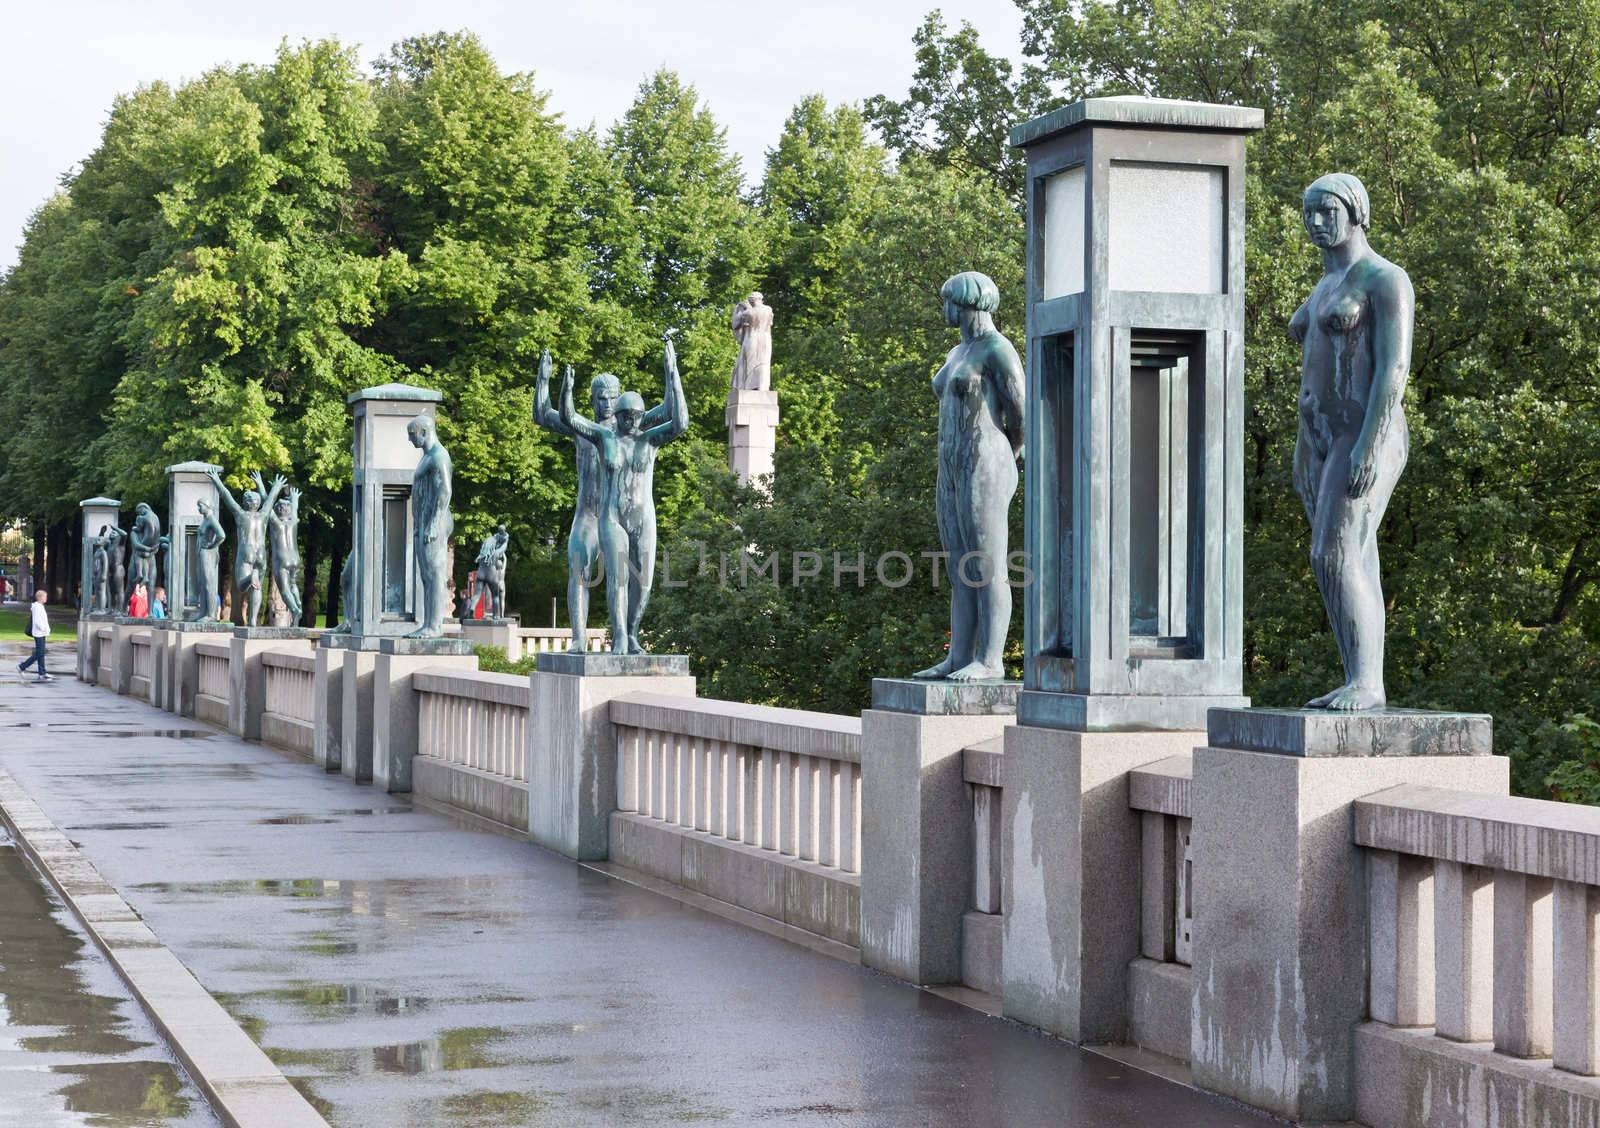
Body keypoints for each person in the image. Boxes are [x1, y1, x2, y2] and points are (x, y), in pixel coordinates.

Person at [1289, 172, 1415, 711]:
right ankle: (1358, 675)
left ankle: (1366, 683)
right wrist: (1302, 442)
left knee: (1333, 553)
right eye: (1309, 214)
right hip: (1320, 438)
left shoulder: (1384, 279)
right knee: (1352, 555)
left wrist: (1369, 442)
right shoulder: (1324, 285)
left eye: (1327, 211)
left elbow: (1394, 367)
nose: (1317, 223)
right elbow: (1311, 369)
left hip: (1366, 431)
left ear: (1355, 210)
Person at [912, 271, 1025, 683]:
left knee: (986, 564)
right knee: (960, 567)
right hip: (952, 465)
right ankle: (958, 657)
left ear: (966, 303)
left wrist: (1009, 455)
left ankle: (991, 660)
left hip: (986, 463)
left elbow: (1021, 410)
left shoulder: (997, 348)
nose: (944, 309)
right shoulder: (956, 352)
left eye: (948, 301)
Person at [534, 349, 670, 652]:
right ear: (592, 399)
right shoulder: (583, 427)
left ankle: (627, 634)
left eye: (612, 397)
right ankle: (579, 639)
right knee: (579, 568)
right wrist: (543, 380)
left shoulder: (632, 425)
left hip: (619, 513)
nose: (607, 403)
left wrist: (670, 374)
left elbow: (668, 411)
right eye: (601, 397)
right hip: (589, 513)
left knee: (629, 576)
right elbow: (543, 415)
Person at [207, 468, 285, 627]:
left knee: (243, 584)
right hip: (261, 554)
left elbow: (226, 496)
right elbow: (270, 500)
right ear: (257, 504)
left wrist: (216, 480)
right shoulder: (263, 515)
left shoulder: (241, 515)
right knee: (256, 589)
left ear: (245, 503)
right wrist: (275, 486)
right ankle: (252, 621)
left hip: (246, 552)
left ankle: (250, 577)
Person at [17, 590, 52, 681]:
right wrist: (43, 629)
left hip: (42, 633)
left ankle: (42, 673)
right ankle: (22, 666)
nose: (46, 598)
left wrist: (46, 629)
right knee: (39, 653)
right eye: (45, 596)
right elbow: (37, 621)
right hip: (39, 633)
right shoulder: (37, 607)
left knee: (41, 653)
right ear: (40, 597)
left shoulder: (40, 606)